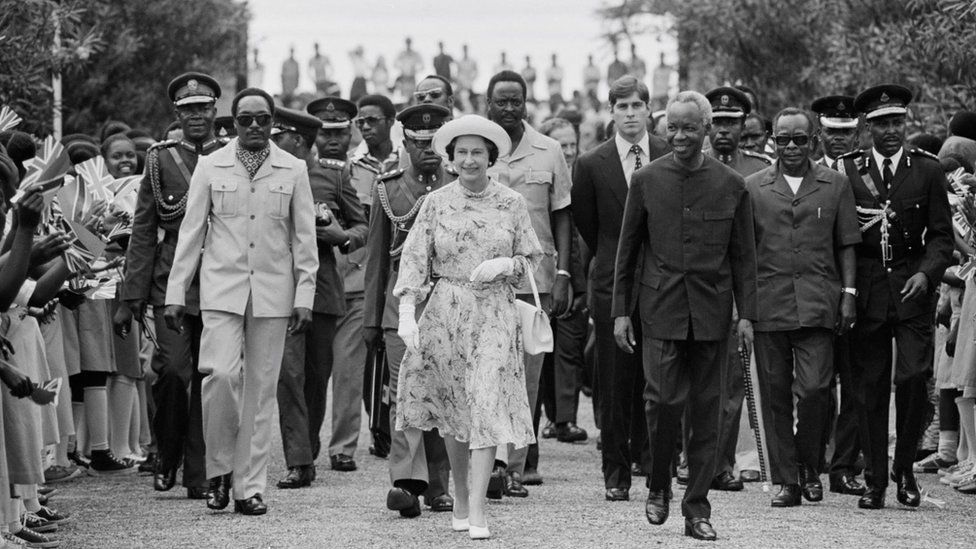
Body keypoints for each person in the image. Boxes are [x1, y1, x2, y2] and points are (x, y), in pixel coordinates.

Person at [164, 87, 319, 516]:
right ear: (231, 124)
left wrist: (305, 294)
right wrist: (176, 293)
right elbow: (191, 233)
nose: (254, 127)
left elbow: (304, 239)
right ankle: (217, 471)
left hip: (273, 294)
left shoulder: (293, 169)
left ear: (273, 123)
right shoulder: (211, 166)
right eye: (245, 119)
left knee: (261, 391)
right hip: (222, 290)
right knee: (221, 377)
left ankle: (248, 487)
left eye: (262, 119)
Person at [612, 90, 757, 541]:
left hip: (713, 313)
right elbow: (628, 252)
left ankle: (697, 507)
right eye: (671, 127)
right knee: (661, 402)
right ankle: (658, 485)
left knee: (707, 410)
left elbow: (744, 258)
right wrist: (621, 313)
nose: (678, 135)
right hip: (660, 310)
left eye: (688, 127)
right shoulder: (647, 180)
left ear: (707, 130)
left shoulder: (732, 184)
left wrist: (747, 315)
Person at [393, 114, 542, 540]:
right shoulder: (436, 202)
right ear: (451, 159)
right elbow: (416, 257)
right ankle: (460, 495)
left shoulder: (511, 202)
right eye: (463, 153)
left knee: (487, 401)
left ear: (491, 157)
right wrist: (407, 310)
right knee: (456, 410)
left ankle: (477, 508)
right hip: (447, 311)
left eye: (478, 152)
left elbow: (531, 258)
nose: (470, 160)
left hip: (495, 311)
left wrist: (507, 264)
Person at [841, 84, 953, 509]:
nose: (891, 131)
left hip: (912, 286)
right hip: (868, 288)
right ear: (868, 128)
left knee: (911, 378)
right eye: (882, 124)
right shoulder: (848, 171)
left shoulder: (926, 169)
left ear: (905, 123)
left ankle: (903, 467)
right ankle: (874, 479)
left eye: (897, 122)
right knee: (869, 386)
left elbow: (941, 236)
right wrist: (847, 291)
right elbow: (843, 237)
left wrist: (928, 274)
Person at [746, 107, 860, 507]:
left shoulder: (835, 184)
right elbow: (744, 253)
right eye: (782, 139)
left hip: (817, 303)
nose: (790, 146)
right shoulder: (754, 187)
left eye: (799, 139)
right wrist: (743, 310)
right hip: (768, 305)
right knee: (775, 395)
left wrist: (849, 293)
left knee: (815, 390)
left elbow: (846, 242)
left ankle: (809, 464)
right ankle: (788, 480)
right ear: (772, 141)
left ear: (813, 141)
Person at [119, 72, 223, 499]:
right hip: (170, 287)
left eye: (203, 108)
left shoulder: (231, 154)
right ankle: (166, 452)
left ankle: (199, 472)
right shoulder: (160, 159)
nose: (196, 115)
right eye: (187, 109)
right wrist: (130, 296)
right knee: (173, 372)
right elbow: (144, 230)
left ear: (215, 110)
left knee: (209, 377)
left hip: (220, 283)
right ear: (176, 113)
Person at [572, 75, 669, 502]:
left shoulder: (669, 154)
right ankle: (615, 472)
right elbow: (588, 227)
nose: (630, 114)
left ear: (649, 109)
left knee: (659, 378)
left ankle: (654, 464)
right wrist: (613, 263)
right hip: (612, 282)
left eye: (637, 106)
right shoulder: (592, 164)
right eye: (622, 106)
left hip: (663, 281)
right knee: (614, 381)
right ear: (611, 112)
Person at [363, 104, 455, 518]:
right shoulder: (388, 188)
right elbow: (377, 260)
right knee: (403, 397)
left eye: (434, 142)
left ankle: (439, 486)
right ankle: (405, 483)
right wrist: (370, 318)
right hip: (400, 308)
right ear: (406, 144)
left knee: (443, 397)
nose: (428, 151)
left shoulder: (458, 185)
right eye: (419, 143)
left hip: (448, 307)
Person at [485, 70, 573, 498]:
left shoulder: (549, 149)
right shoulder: (476, 150)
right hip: (484, 282)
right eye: (500, 101)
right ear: (488, 103)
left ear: (526, 103)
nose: (508, 108)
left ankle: (514, 469)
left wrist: (563, 274)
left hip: (533, 282)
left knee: (527, 378)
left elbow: (562, 215)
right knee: (486, 374)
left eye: (515, 101)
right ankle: (484, 465)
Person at [271, 105, 368, 489]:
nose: (273, 142)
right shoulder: (268, 174)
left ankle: (306, 446)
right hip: (280, 285)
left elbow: (361, 224)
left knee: (315, 374)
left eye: (279, 137)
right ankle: (298, 459)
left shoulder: (332, 174)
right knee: (288, 374)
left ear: (297, 140)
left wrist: (341, 237)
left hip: (324, 289)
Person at [703, 86, 771, 490]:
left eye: (732, 122)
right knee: (696, 383)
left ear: (744, 124)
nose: (724, 130)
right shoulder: (692, 165)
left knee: (732, 383)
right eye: (718, 122)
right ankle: (695, 458)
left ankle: (721, 463)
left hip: (741, 287)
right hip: (699, 287)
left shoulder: (759, 171)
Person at [809, 94, 868, 496]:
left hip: (857, 292)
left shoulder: (866, 177)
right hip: (813, 292)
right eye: (832, 132)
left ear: (857, 133)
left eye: (846, 132)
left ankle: (844, 464)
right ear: (819, 133)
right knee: (814, 384)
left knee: (855, 381)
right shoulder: (805, 173)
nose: (839, 140)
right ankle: (810, 461)